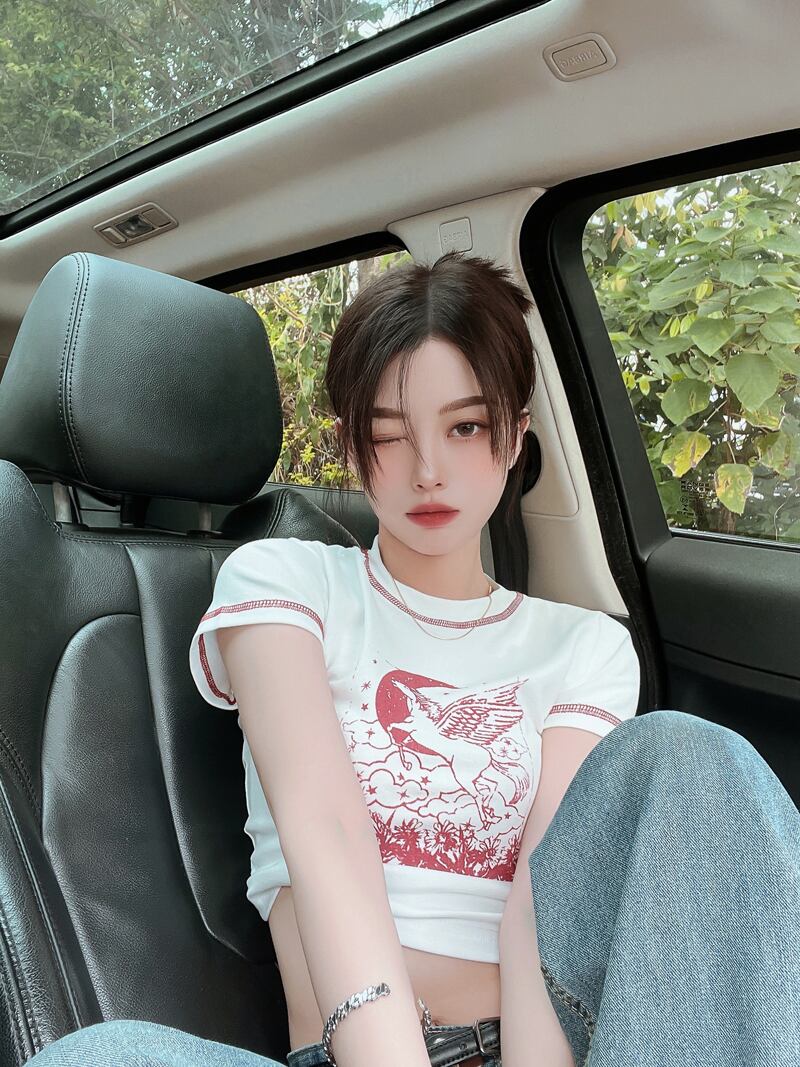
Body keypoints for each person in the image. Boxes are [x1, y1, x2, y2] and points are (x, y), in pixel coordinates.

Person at [27, 253, 800, 1067]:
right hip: (358, 1049)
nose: (428, 470)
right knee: (100, 1057)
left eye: (465, 427)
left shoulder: (585, 645)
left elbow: (540, 900)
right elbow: (325, 832)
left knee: (690, 753)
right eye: (389, 435)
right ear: (351, 445)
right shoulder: (285, 582)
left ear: (515, 436)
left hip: (555, 1043)